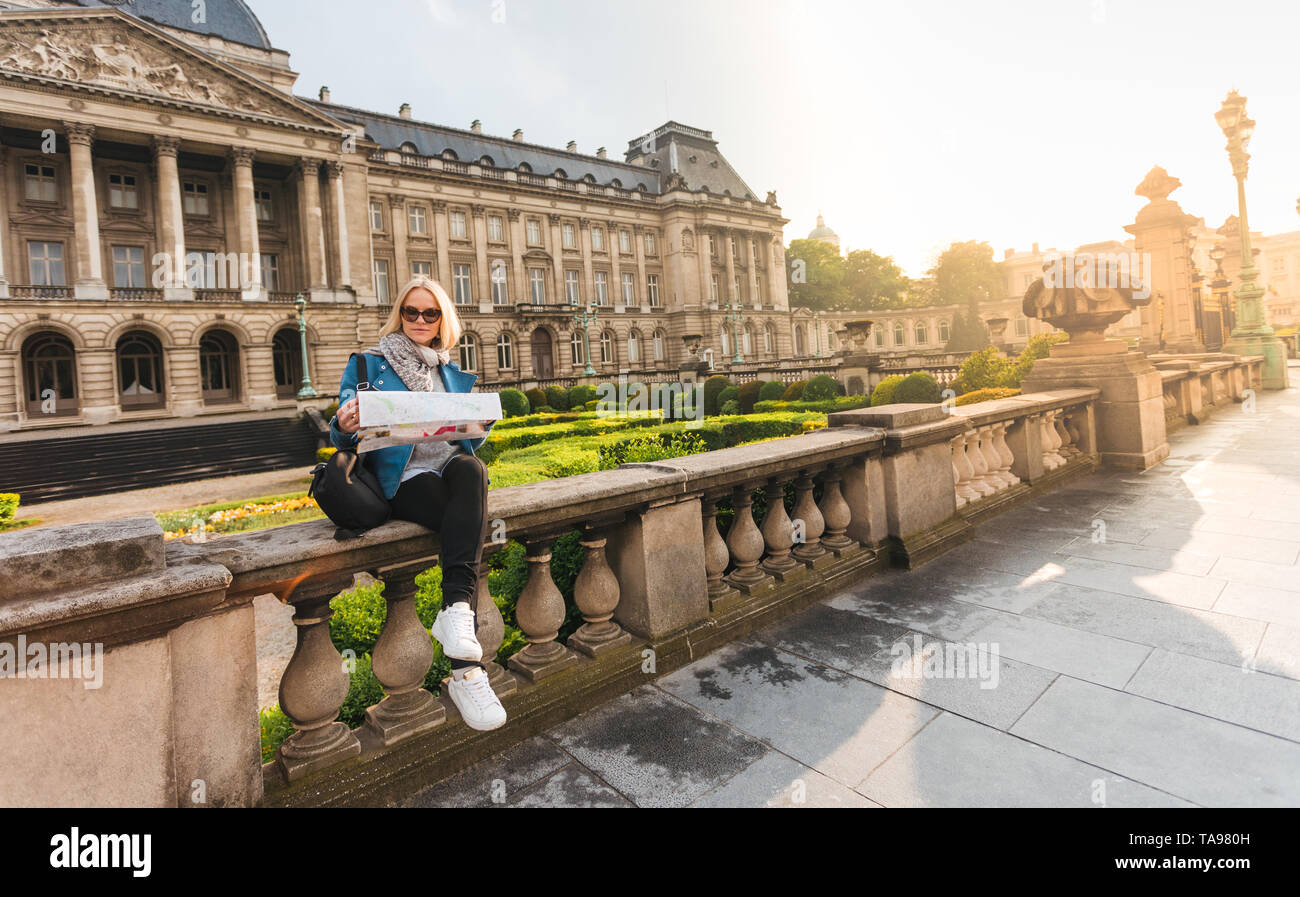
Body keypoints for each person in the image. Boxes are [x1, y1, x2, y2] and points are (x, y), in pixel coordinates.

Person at [330, 275, 506, 732]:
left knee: (473, 470)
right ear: (400, 315)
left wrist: (480, 423)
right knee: (463, 517)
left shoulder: (450, 369)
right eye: (412, 312)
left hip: (448, 467)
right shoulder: (370, 362)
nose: (421, 320)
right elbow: (342, 425)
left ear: (442, 318)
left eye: (431, 313)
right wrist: (344, 420)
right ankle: (467, 673)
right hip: (402, 479)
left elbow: (466, 440)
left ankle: (456, 619)